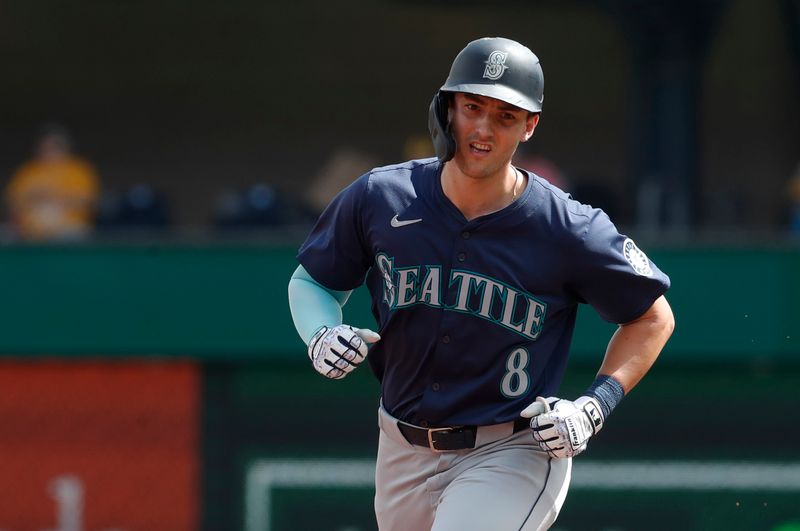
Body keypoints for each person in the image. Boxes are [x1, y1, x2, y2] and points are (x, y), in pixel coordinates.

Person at [288, 37, 674, 531]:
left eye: (505, 116)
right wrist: (321, 332)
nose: (483, 129)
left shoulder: (568, 227)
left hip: (511, 450)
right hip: (400, 448)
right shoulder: (381, 195)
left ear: (529, 126)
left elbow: (653, 316)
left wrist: (596, 404)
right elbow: (313, 281)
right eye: (472, 107)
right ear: (448, 109)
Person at [4, 124, 100, 241]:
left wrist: (54, 195)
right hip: (29, 230)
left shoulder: (79, 170)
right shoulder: (28, 171)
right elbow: (11, 202)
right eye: (44, 147)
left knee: (70, 236)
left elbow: (89, 202)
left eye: (54, 146)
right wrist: (33, 196)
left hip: (69, 229)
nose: (48, 151)